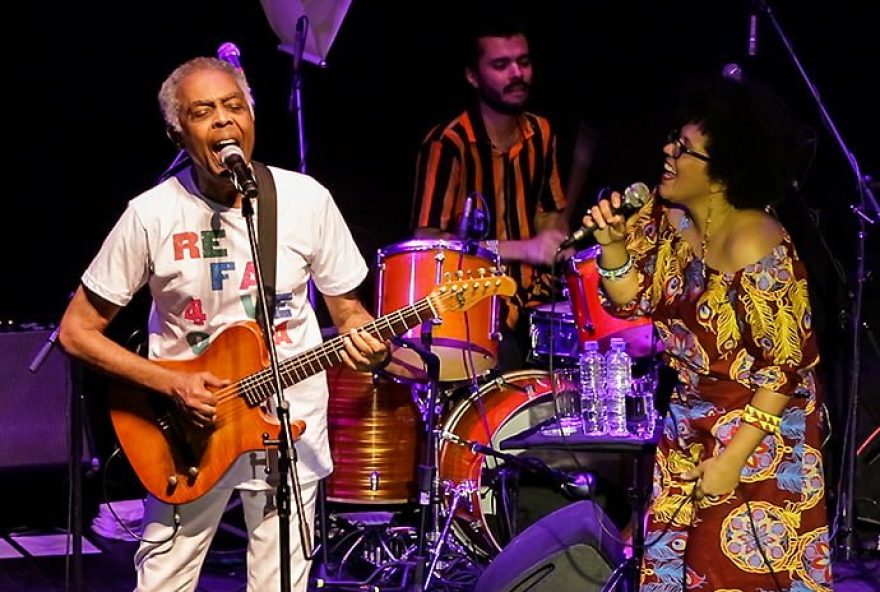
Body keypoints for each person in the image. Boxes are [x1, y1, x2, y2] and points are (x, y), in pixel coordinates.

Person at [58, 57, 388, 592]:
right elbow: (76, 331)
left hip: (288, 425)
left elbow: (348, 311)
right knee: (163, 583)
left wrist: (362, 340)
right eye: (203, 111)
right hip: (188, 433)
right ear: (177, 132)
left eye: (234, 107)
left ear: (252, 117)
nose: (223, 121)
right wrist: (171, 382)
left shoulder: (306, 201)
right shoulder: (150, 214)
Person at [584, 76, 832, 589]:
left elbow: (784, 368)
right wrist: (611, 245)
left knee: (730, 571)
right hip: (689, 420)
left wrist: (732, 460)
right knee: (672, 571)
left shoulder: (755, 243)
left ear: (721, 175)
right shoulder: (665, 216)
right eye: (673, 140)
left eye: (685, 149)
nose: (668, 152)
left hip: (758, 431)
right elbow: (631, 297)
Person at [410, 5, 570, 371]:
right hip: (479, 314)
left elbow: (549, 213)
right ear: (473, 76)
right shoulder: (449, 144)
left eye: (523, 62)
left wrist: (557, 241)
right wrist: (523, 249)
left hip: (538, 308)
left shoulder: (542, 133)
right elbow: (427, 242)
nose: (517, 74)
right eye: (501, 66)